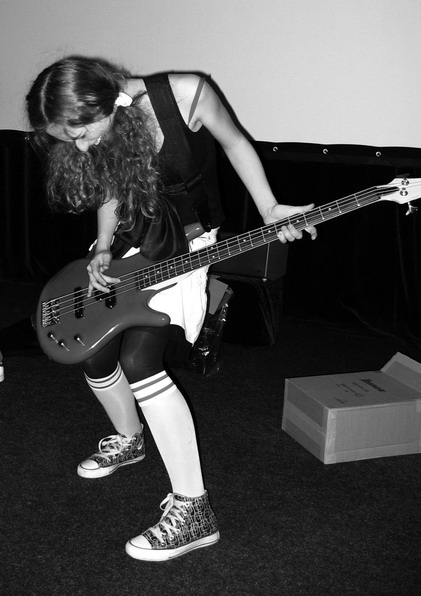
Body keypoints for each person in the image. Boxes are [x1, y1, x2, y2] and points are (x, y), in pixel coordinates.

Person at [26, 55, 317, 562]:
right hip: (132, 245)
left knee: (139, 359)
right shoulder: (102, 127)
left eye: (82, 133)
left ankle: (194, 510)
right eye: (70, 140)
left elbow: (235, 143)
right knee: (92, 348)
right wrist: (102, 246)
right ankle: (129, 438)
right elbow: (113, 187)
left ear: (102, 101)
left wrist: (270, 208)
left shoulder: (187, 93)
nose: (81, 147)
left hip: (188, 245)